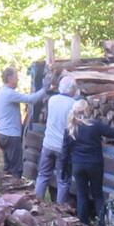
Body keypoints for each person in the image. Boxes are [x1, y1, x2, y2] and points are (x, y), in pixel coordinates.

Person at [0, 66, 44, 177]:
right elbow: (31, 99)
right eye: (16, 77)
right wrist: (46, 89)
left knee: (8, 169)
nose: (18, 80)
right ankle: (15, 187)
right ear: (9, 78)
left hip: (2, 134)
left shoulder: (1, 92)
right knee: (16, 170)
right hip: (10, 135)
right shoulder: (9, 93)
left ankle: (6, 186)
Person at [36, 76, 79, 204]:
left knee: (43, 175)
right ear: (71, 89)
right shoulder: (73, 104)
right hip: (62, 148)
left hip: (48, 144)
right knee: (63, 180)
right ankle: (59, 208)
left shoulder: (52, 100)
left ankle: (36, 202)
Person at [66, 100, 108, 226]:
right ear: (86, 110)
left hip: (78, 165)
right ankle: (102, 225)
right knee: (98, 195)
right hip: (94, 164)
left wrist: (64, 168)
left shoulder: (71, 127)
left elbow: (65, 149)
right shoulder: (95, 125)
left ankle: (82, 223)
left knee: (81, 195)